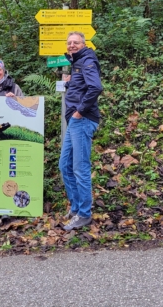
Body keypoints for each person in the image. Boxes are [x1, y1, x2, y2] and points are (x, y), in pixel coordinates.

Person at [59, 31, 103, 231]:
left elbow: (95, 87)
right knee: (64, 165)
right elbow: (80, 86)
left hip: (82, 120)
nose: (72, 45)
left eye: (76, 42)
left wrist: (79, 112)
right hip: (74, 121)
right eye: (69, 43)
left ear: (84, 44)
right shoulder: (78, 63)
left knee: (80, 168)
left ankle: (84, 214)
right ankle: (76, 208)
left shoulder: (87, 61)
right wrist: (68, 82)